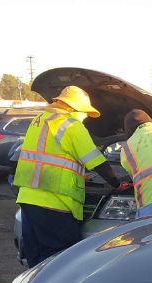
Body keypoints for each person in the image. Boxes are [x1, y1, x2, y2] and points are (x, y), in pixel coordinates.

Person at [13, 86, 121, 266]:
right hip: (55, 203)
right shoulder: (71, 125)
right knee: (61, 262)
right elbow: (96, 161)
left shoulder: (39, 120)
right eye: (84, 112)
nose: (85, 117)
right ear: (74, 108)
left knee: (36, 260)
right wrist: (116, 183)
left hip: (28, 199)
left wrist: (79, 175)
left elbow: (49, 158)